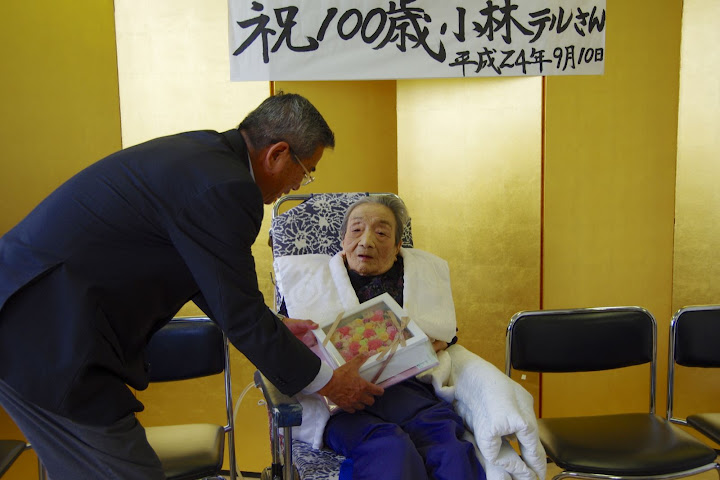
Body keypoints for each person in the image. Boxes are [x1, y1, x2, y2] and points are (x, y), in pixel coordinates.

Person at [0, 92, 383, 479]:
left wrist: (276, 325)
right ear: (278, 154)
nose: (299, 184)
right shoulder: (228, 189)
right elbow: (241, 313)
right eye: (306, 170)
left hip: (29, 312)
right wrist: (329, 383)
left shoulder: (203, 155)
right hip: (44, 333)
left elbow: (210, 280)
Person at [279, 196, 486, 480]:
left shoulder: (417, 281)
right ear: (342, 240)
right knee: (390, 449)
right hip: (341, 402)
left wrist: (432, 343)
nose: (366, 241)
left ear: (398, 246)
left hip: (408, 392)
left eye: (381, 233)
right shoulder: (309, 286)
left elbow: (445, 332)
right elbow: (282, 345)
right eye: (356, 230)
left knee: (451, 452)